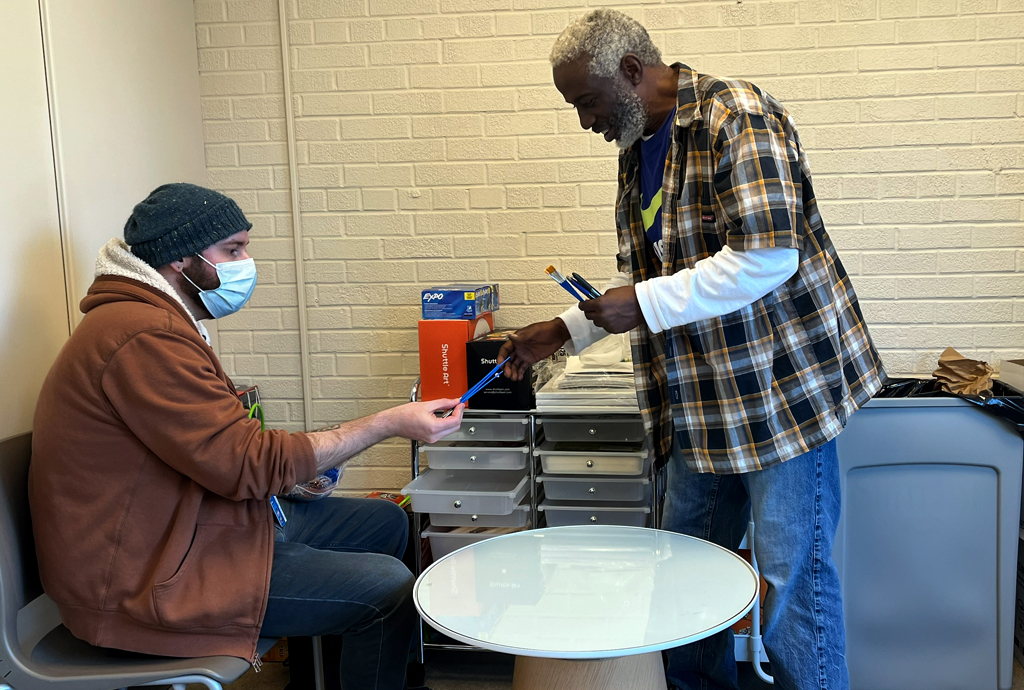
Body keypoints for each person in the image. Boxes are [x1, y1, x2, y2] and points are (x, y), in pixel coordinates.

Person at [499, 10, 886, 690]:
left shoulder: (735, 116)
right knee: (682, 572)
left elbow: (767, 257)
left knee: (795, 583)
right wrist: (561, 331)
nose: (583, 120)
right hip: (703, 404)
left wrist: (638, 303)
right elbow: (655, 280)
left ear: (630, 71)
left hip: (781, 398)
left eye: (585, 101)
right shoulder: (638, 147)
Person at [29, 183, 462, 690]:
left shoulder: (158, 322)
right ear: (180, 261)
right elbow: (246, 463)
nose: (245, 263)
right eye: (233, 250)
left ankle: (338, 677)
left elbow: (221, 450)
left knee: (386, 523)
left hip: (197, 528)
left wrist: (295, 476)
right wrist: (386, 423)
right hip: (149, 576)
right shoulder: (141, 336)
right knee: (385, 591)